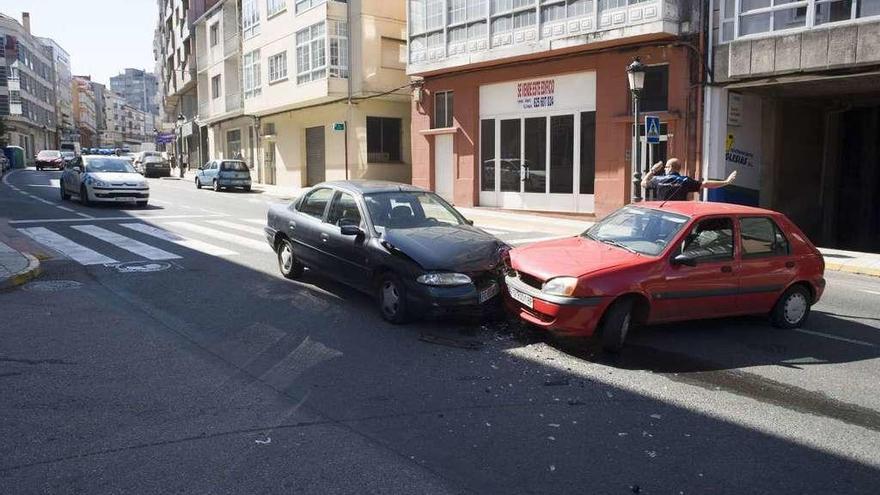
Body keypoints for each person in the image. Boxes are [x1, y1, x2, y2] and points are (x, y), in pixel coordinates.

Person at [641, 158, 737, 201]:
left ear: (670, 167)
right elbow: (705, 184)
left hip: (663, 213)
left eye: (666, 167)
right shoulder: (685, 180)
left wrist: (653, 170)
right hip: (679, 214)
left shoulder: (658, 179)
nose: (665, 169)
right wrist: (726, 182)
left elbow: (643, 183)